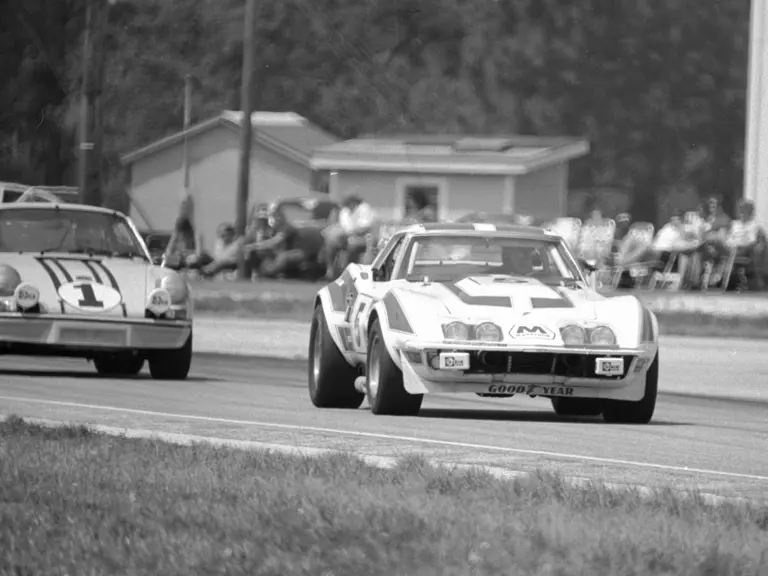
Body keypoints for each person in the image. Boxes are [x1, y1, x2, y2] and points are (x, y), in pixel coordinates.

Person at [322, 193, 377, 279]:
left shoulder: (364, 208)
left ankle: (347, 272)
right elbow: (344, 226)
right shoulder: (345, 211)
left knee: (352, 244)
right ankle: (330, 271)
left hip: (363, 237)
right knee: (330, 243)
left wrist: (350, 233)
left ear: (354, 202)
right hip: (347, 236)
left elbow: (365, 227)